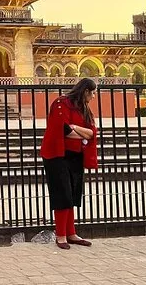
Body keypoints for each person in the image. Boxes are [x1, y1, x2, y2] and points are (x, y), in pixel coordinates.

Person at [40, 77, 98, 249]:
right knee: (63, 194)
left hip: (75, 154)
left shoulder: (83, 108)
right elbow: (62, 130)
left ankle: (71, 233)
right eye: (93, 93)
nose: (94, 97)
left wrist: (76, 128)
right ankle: (61, 235)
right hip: (57, 154)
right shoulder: (62, 103)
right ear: (85, 91)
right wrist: (83, 134)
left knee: (72, 193)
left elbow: (92, 132)